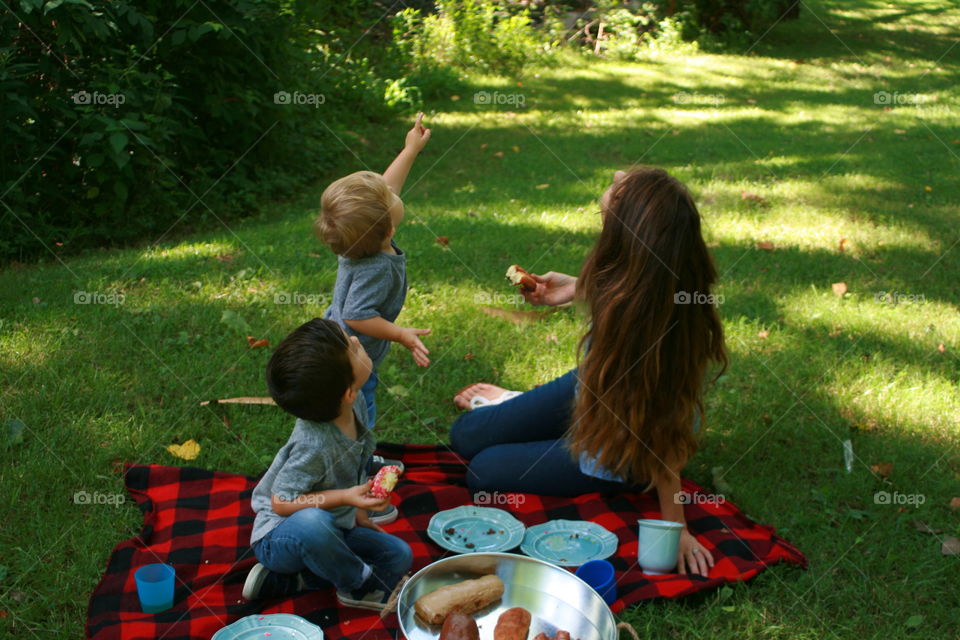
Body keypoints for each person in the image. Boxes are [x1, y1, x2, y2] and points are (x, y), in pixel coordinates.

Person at [450, 168, 727, 577]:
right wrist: (575, 288)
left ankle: (616, 471)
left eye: (622, 184)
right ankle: (520, 409)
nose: (617, 174)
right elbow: (631, 285)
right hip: (593, 391)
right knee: (464, 435)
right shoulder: (641, 278)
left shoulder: (658, 337)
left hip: (620, 445)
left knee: (483, 471)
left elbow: (667, 432)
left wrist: (675, 526)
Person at [242, 318, 413, 611]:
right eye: (352, 347)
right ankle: (358, 587)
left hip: (334, 525)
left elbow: (354, 467)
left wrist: (358, 512)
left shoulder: (352, 403)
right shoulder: (314, 444)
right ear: (347, 391)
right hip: (280, 536)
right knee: (313, 523)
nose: (358, 341)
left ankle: (296, 581)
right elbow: (282, 503)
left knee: (400, 555)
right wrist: (346, 497)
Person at [318, 112, 433, 429]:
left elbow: (384, 189)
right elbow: (356, 314)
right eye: (391, 198)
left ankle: (350, 449)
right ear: (388, 230)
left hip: (344, 347)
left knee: (347, 405)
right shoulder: (376, 267)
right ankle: (359, 460)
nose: (392, 190)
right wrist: (400, 335)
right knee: (359, 408)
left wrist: (410, 150)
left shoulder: (363, 238)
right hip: (353, 359)